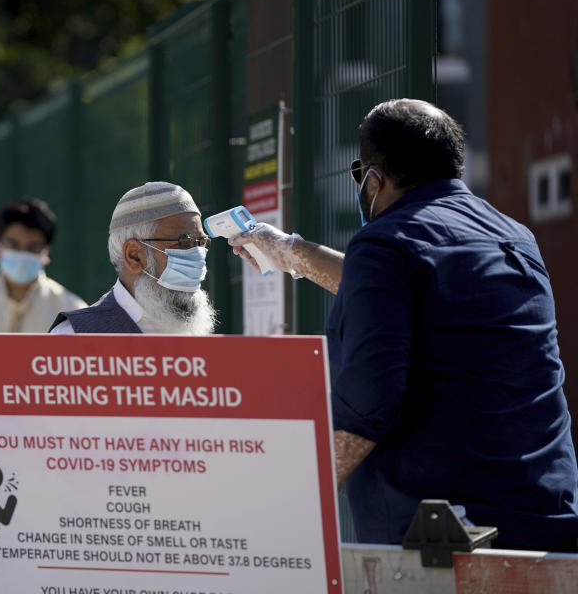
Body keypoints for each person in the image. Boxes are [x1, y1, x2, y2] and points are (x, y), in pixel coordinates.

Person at [231, 98, 578, 551]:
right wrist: (291, 251)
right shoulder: (513, 237)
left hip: (446, 538)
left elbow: (369, 400)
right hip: (546, 516)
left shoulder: (384, 245)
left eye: (360, 176)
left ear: (374, 179)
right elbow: (409, 291)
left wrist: (290, 500)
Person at [50, 182, 215, 335]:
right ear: (134, 256)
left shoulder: (196, 332)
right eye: (183, 243)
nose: (197, 255)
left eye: (201, 242)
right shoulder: (75, 336)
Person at [0, 198, 86, 333]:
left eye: (33, 247)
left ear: (46, 251)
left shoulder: (71, 311)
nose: (22, 253)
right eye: (13, 244)